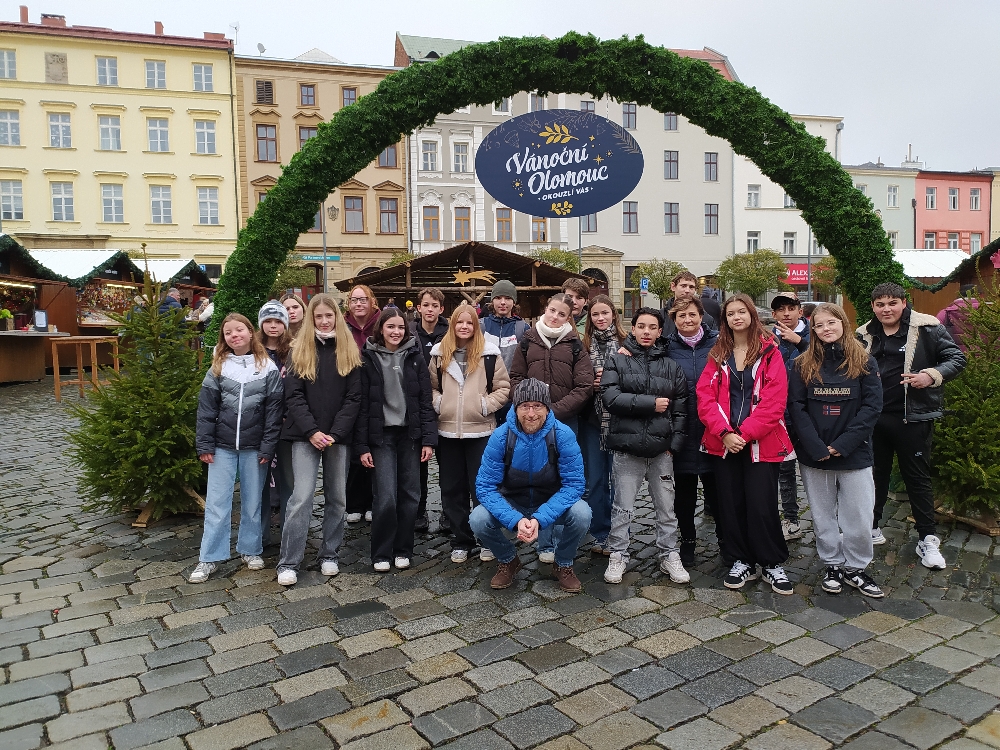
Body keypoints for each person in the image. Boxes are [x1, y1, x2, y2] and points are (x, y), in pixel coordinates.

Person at [857, 282, 965, 569]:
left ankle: (927, 539)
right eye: (880, 304)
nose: (886, 309)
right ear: (873, 307)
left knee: (917, 479)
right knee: (874, 476)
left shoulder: (927, 328)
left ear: (904, 303)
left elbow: (956, 358)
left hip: (913, 418)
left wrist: (930, 375)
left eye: (892, 303)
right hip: (874, 419)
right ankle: (872, 528)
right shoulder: (864, 334)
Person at [697, 293, 795, 594]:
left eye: (741, 312)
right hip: (723, 442)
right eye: (730, 314)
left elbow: (775, 401)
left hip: (761, 442)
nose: (736, 317)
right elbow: (705, 397)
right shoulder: (717, 353)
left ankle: (771, 562)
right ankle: (741, 560)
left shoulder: (770, 352)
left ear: (752, 315)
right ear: (725, 320)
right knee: (730, 503)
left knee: (762, 504)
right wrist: (725, 433)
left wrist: (746, 433)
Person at [789, 303, 885, 597]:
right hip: (815, 455)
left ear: (843, 323)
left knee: (859, 516)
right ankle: (832, 563)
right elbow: (796, 407)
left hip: (854, 453)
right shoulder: (802, 364)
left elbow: (872, 407)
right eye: (819, 325)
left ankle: (856, 567)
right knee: (822, 516)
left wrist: (843, 444)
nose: (825, 329)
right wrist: (815, 446)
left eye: (831, 322)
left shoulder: (864, 361)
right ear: (813, 330)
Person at [275, 294, 362, 585]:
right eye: (319, 317)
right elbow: (294, 396)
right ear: (311, 319)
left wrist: (335, 433)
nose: (324, 321)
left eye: (329, 316)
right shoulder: (299, 350)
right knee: (301, 497)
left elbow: (354, 398)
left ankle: (329, 554)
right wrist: (312, 431)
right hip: (305, 435)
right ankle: (289, 561)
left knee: (337, 497)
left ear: (337, 317)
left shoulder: (349, 350)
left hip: (338, 436)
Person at [472, 379, 589, 592]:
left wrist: (539, 518)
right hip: (513, 501)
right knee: (478, 519)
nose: (531, 413)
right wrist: (515, 520)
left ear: (547, 408)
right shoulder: (500, 436)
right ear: (516, 408)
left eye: (537, 406)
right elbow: (485, 487)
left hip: (550, 501)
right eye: (525, 406)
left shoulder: (562, 435)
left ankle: (563, 563)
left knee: (582, 514)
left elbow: (574, 485)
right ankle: (508, 559)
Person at [191, 313, 283, 583]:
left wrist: (268, 447)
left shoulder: (267, 367)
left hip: (255, 448)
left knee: (253, 502)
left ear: (250, 332)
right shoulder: (218, 367)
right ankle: (209, 557)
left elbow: (274, 413)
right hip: (222, 447)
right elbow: (206, 410)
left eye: (239, 330)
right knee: (217, 504)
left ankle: (250, 550)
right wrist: (205, 444)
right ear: (224, 337)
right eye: (228, 332)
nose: (234, 335)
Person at [601, 307, 690, 584]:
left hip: (661, 450)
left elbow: (681, 409)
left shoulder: (671, 366)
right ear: (633, 328)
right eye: (641, 326)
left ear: (660, 331)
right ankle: (618, 554)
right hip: (627, 448)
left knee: (666, 508)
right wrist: (650, 404)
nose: (647, 332)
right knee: (622, 507)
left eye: (652, 327)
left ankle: (669, 554)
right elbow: (610, 398)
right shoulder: (617, 360)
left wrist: (673, 445)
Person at [510, 293, 594, 563]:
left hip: (564, 420)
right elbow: (516, 377)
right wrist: (531, 410)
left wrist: (554, 412)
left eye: (562, 314)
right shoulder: (528, 340)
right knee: (540, 478)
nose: (555, 317)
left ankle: (561, 541)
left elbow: (584, 386)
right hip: (531, 421)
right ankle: (544, 542)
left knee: (563, 479)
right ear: (545, 309)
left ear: (569, 317)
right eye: (552, 310)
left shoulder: (575, 344)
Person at [429, 304, 511, 563]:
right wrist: (440, 404)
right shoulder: (439, 354)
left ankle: (487, 538)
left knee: (482, 489)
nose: (464, 327)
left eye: (469, 323)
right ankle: (461, 540)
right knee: (452, 488)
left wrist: (484, 406)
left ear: (476, 326)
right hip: (448, 432)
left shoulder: (489, 354)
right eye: (459, 322)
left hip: (481, 431)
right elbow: (430, 387)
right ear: (452, 324)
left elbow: (503, 387)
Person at [357, 308, 437, 572]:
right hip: (381, 436)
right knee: (386, 496)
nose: (396, 332)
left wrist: (428, 440)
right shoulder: (367, 358)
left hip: (409, 435)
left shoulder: (415, 356)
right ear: (381, 328)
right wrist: (362, 446)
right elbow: (362, 405)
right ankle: (381, 552)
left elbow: (425, 400)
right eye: (390, 327)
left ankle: (403, 549)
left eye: (401, 327)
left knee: (411, 494)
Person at [665, 297, 721, 566]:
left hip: (714, 429)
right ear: (673, 320)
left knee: (718, 492)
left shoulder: (719, 343)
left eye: (692, 314)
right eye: (681, 316)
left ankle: (726, 540)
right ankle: (687, 540)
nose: (687, 320)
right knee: (684, 494)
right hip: (681, 429)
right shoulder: (666, 347)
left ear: (701, 316)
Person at [579, 294, 627, 555]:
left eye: (604, 313)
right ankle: (600, 532)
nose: (600, 318)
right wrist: (591, 385)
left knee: (620, 481)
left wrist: (610, 384)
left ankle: (620, 534)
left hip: (621, 420)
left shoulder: (626, 343)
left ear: (613, 315)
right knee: (596, 480)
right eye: (595, 314)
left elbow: (636, 379)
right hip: (592, 419)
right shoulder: (583, 345)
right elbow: (576, 380)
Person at [770, 292, 810, 542]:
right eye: (781, 309)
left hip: (809, 414)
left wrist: (799, 342)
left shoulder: (814, 335)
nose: (786, 313)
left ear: (800, 311)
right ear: (774, 314)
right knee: (784, 470)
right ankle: (791, 520)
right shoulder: (767, 339)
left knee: (817, 470)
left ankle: (829, 521)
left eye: (791, 308)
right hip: (779, 416)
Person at [410, 287, 450, 530]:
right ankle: (418, 512)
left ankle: (449, 512)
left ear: (441, 309)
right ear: (419, 308)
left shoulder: (450, 334)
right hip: (416, 406)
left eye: (435, 305)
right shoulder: (409, 333)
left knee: (448, 464)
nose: (430, 309)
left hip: (444, 403)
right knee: (418, 464)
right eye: (426, 305)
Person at [255, 300, 292, 548]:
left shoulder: (293, 351)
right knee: (260, 483)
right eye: (268, 321)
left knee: (288, 481)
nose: (273, 326)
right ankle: (260, 536)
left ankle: (290, 534)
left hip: (288, 425)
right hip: (260, 426)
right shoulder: (253, 352)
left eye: (278, 321)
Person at [345, 285, 381, 524]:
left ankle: (371, 502)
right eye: (354, 300)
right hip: (348, 392)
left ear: (371, 301)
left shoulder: (380, 324)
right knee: (352, 452)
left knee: (374, 449)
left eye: (363, 299)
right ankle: (354, 503)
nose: (358, 304)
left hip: (375, 392)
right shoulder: (342, 327)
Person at [481, 279, 530, 389]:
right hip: (484, 390)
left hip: (512, 389)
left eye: (508, 298)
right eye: (498, 298)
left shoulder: (523, 329)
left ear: (514, 302)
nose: (503, 302)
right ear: (492, 301)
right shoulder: (481, 326)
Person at [662, 271, 717, 336]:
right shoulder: (661, 316)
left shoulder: (707, 319)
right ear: (673, 287)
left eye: (691, 287)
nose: (687, 291)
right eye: (683, 286)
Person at [936, 284, 979, 352]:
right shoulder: (988, 313)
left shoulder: (945, 313)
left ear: (959, 295)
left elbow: (935, 336)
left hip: (954, 355)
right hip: (984, 356)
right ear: (979, 295)